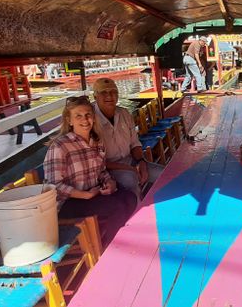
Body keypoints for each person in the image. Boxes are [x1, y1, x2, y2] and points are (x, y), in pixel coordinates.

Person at [43, 95, 137, 244]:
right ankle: (109, 247)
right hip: (68, 203)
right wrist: (84, 195)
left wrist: (110, 182)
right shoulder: (60, 146)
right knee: (117, 207)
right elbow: (52, 186)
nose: (85, 120)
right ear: (70, 120)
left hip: (93, 194)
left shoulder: (97, 142)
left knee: (130, 198)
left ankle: (112, 239)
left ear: (93, 117)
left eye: (88, 115)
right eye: (78, 116)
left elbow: (101, 171)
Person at [91, 78, 164, 199]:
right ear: (95, 96)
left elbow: (135, 144)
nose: (109, 95)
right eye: (103, 92)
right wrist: (131, 169)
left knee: (164, 175)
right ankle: (137, 212)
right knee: (131, 180)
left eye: (113, 91)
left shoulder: (124, 114)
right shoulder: (91, 120)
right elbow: (96, 162)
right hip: (108, 170)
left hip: (131, 161)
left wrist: (142, 162)